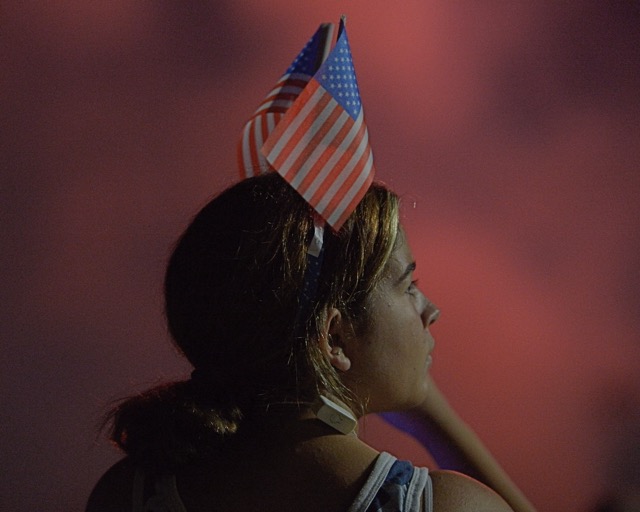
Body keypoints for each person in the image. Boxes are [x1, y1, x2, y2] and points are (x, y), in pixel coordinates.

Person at [86, 172, 536, 511]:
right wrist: (433, 419)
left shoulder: (127, 493)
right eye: (408, 285)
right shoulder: (440, 505)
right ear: (335, 338)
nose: (430, 310)